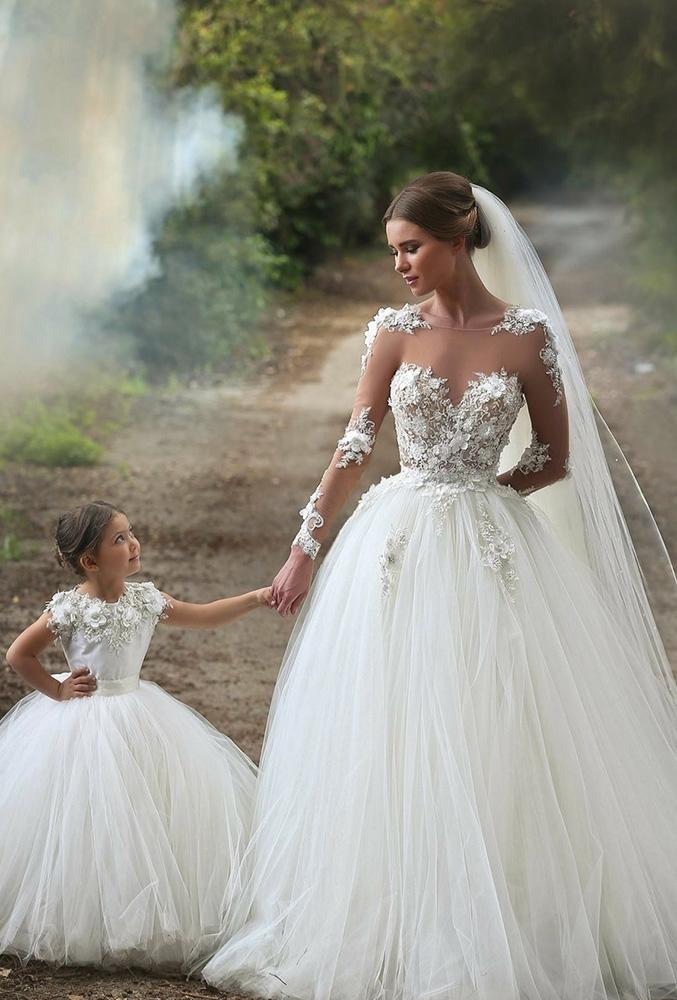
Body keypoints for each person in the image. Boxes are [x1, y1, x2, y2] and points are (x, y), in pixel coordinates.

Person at [201, 172, 677, 1000]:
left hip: (490, 543)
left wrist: (481, 496)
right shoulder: (390, 332)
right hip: (395, 542)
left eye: (411, 247)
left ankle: (504, 916)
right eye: (392, 251)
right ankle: (385, 914)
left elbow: (554, 459)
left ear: (458, 240)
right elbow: (354, 448)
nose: (399, 266)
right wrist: (304, 548)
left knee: (496, 722)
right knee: (393, 720)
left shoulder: (526, 336)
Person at [1, 499, 273, 971]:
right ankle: (84, 916)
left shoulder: (145, 599)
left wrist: (256, 597)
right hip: (84, 724)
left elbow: (204, 615)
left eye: (131, 534)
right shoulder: (68, 609)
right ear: (89, 560)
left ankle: (140, 921)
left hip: (139, 715)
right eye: (120, 539)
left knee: (145, 812)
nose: (133, 544)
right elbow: (19, 654)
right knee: (85, 818)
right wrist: (57, 689)